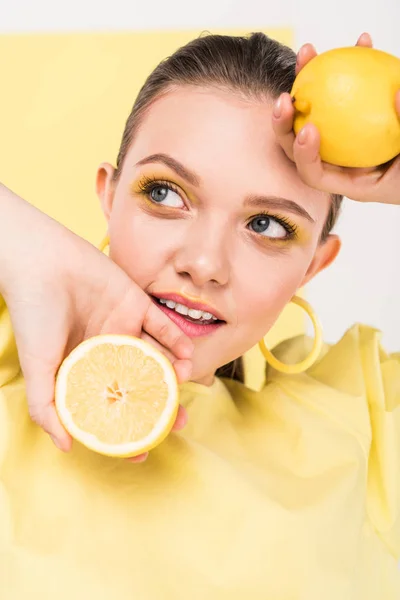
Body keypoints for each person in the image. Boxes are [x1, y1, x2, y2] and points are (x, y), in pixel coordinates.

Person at [0, 31, 399, 599]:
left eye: (266, 225)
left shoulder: (366, 426)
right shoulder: (11, 358)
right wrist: (29, 242)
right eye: (164, 193)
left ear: (313, 267)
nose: (205, 264)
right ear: (109, 197)